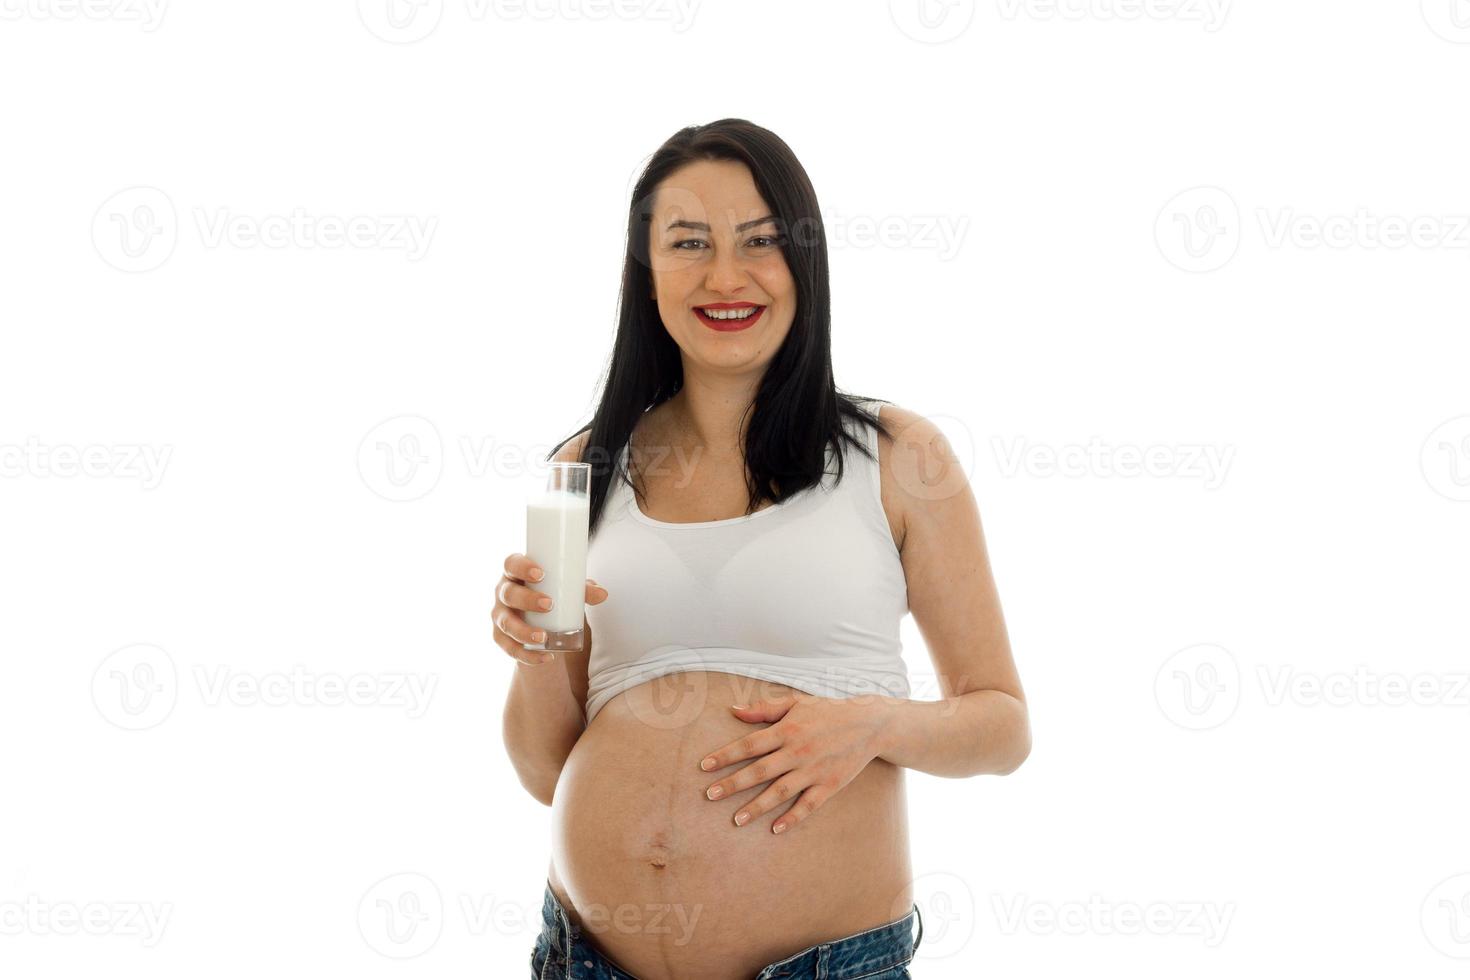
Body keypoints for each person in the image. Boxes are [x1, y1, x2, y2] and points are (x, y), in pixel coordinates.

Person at [497, 118, 1029, 980]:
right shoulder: (584, 468)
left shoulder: (896, 458)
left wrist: (875, 725)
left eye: (760, 242)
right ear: (647, 272)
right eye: (688, 243)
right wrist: (533, 654)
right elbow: (544, 772)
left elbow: (1003, 725)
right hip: (586, 958)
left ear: (803, 263)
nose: (725, 277)